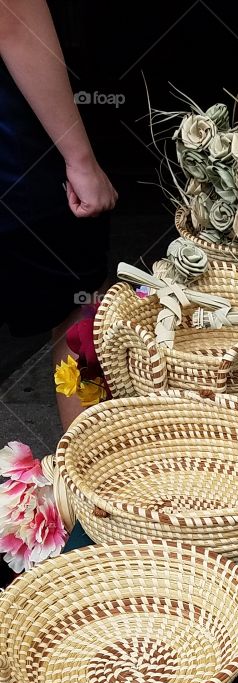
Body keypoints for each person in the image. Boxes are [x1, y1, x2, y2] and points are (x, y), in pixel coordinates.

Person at [0, 0, 116, 429]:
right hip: (15, 153)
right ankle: (93, 480)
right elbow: (12, 19)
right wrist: (79, 159)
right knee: (82, 306)